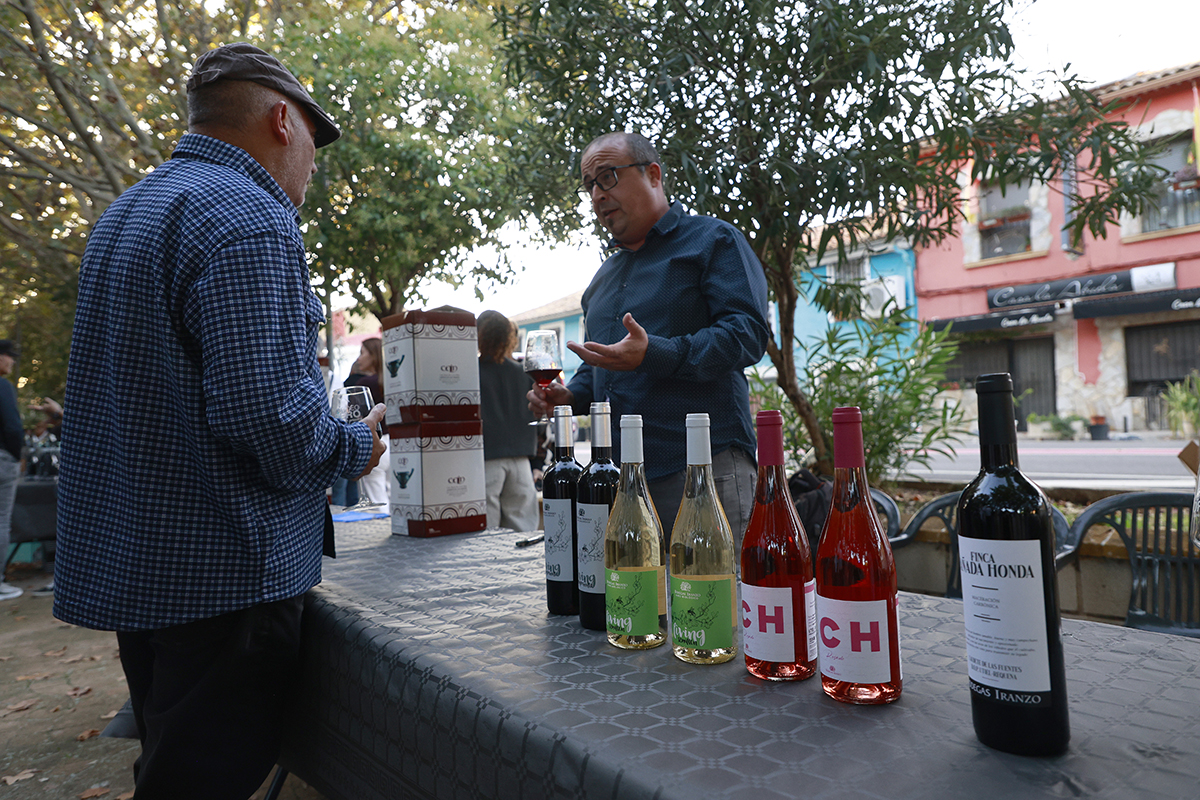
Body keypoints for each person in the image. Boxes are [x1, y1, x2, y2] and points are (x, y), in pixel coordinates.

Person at [53, 43, 385, 799]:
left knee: (169, 762)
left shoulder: (129, 211)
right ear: (281, 121)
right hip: (227, 577)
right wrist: (351, 446)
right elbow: (269, 418)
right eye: (313, 140)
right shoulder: (250, 216)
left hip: (148, 570)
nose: (312, 166)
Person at [529, 132, 770, 545]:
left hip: (703, 469)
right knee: (634, 590)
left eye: (607, 176)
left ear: (653, 174)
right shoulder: (601, 282)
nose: (598, 195)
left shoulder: (713, 241)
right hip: (623, 482)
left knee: (717, 587)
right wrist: (570, 397)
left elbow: (747, 334)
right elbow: (600, 365)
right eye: (589, 185)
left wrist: (654, 353)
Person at [478, 311, 540, 531]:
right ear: (509, 337)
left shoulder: (471, 374)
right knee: (522, 532)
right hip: (521, 460)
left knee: (486, 535)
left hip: (486, 460)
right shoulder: (525, 374)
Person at [343, 338, 389, 505]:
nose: (359, 359)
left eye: (362, 353)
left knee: (376, 503)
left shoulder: (363, 385)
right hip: (394, 444)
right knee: (391, 498)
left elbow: (354, 419)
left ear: (373, 356)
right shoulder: (391, 382)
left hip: (374, 442)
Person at [0, 340, 23, 601]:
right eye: (10, 356)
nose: (12, 361)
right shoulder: (2, 386)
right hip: (2, 459)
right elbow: (12, 426)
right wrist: (17, 455)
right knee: (1, 520)